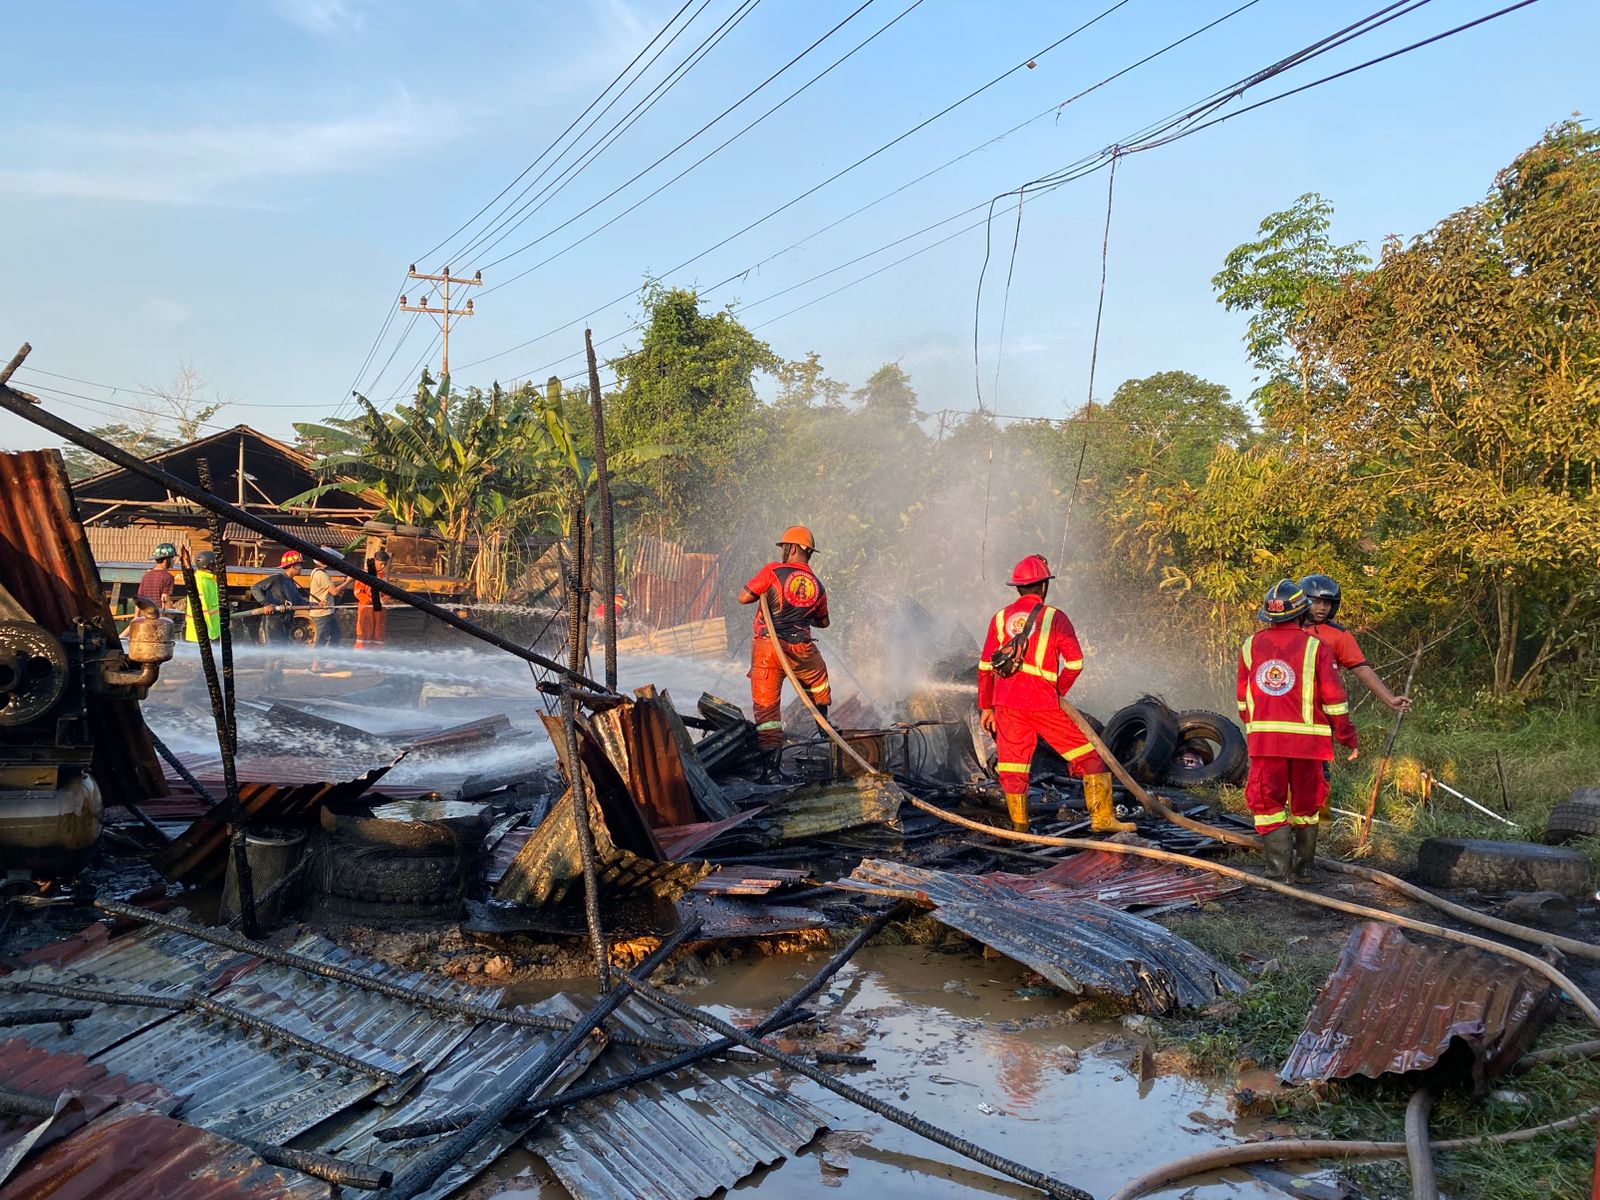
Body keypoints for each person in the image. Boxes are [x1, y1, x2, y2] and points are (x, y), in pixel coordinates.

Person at [978, 554, 1128, 835]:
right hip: (1042, 703)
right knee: (1090, 757)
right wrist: (1057, 691)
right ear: (1044, 586)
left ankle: (1020, 828)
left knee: (1012, 766)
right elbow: (1075, 663)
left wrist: (986, 707)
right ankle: (1102, 820)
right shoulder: (1055, 618)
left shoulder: (999, 618)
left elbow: (985, 667)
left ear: (1017, 587)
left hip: (1006, 705)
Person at [1238, 579, 1359, 882]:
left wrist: (1257, 728)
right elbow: (1334, 700)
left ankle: (1278, 872)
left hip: (1265, 744)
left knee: (1267, 804)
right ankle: (1304, 869)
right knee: (1307, 805)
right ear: (1302, 612)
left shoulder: (1250, 645)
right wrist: (1346, 736)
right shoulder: (1316, 647)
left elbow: (1242, 699)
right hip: (1309, 746)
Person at [737, 525, 830, 780]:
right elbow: (823, 622)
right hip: (802, 650)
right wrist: (802, 613)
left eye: (784, 547)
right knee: (819, 682)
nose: (782, 551)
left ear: (792, 548)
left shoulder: (772, 571)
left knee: (767, 712)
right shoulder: (818, 585)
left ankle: (771, 772)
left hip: (768, 649)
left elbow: (743, 598)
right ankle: (824, 727)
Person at [1298, 574, 1411, 713]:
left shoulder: (1338, 635)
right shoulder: (1285, 629)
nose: (1322, 607)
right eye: (1316, 602)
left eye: (1327, 603)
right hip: (1286, 705)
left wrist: (1390, 699)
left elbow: (1361, 669)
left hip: (1321, 709)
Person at [250, 549, 306, 645]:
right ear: (293, 566)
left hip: (285, 623)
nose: (301, 567)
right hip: (274, 623)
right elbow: (255, 588)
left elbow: (298, 600)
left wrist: (316, 604)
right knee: (275, 650)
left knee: (283, 650)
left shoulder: (291, 582)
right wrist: (266, 604)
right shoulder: (277, 578)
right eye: (299, 565)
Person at [307, 550, 349, 666]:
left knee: (336, 635)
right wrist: (348, 582)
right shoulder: (322, 575)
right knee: (322, 638)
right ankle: (316, 665)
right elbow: (334, 592)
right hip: (322, 613)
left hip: (325, 611)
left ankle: (329, 661)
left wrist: (342, 581)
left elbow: (327, 586)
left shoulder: (316, 572)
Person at [352, 551, 389, 649]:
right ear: (374, 561)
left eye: (385, 564)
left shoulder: (383, 577)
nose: (382, 566)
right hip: (367, 608)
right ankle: (361, 655)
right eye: (381, 564)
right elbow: (358, 592)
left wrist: (386, 598)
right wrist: (373, 600)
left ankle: (375, 655)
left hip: (380, 609)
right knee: (364, 631)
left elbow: (387, 592)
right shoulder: (364, 575)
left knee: (379, 632)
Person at [183, 550, 222, 643]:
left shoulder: (209, 579)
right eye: (215, 565)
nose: (217, 567)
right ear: (208, 566)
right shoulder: (201, 582)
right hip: (202, 634)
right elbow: (202, 609)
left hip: (211, 631)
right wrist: (207, 634)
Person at [138, 543, 177, 611]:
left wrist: (136, 616)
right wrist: (172, 615)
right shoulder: (167, 577)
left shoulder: (146, 576)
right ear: (166, 560)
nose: (173, 561)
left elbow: (139, 599)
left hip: (146, 615)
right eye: (172, 558)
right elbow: (165, 599)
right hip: (159, 615)